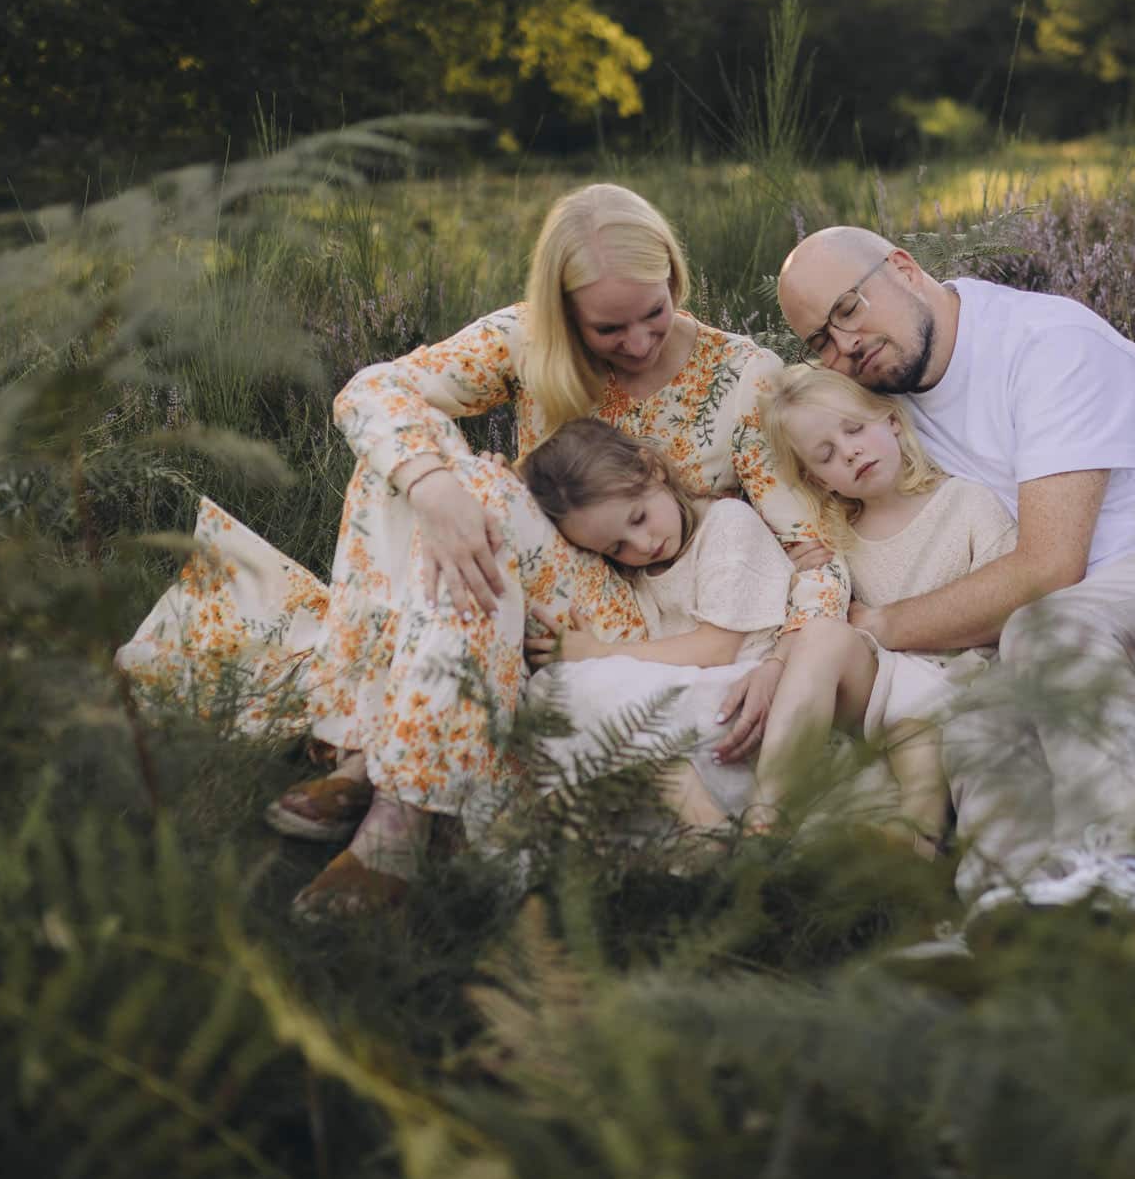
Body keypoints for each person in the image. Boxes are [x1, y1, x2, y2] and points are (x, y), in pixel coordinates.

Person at [116, 183, 846, 916]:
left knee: (482, 495)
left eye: (653, 313)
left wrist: (787, 654)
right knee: (408, 467)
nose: (636, 342)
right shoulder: (529, 339)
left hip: (620, 625)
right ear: (564, 312)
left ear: (674, 281)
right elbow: (371, 390)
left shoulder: (742, 376)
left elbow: (814, 550)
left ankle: (390, 788)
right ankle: (390, 772)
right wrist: (433, 486)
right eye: (607, 327)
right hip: (503, 580)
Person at [775, 226, 1135, 917]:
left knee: (1046, 627)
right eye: (820, 342)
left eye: (848, 310)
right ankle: (1001, 912)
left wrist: (880, 626)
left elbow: (1050, 568)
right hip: (1060, 639)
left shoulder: (1047, 342)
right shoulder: (882, 411)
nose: (845, 346)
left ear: (902, 268)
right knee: (980, 711)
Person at [514, 416, 866, 840]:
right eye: (615, 548)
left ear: (652, 468)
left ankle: (714, 836)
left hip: (751, 702)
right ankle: (708, 834)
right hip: (697, 724)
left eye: (639, 517)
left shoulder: (727, 524)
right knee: (549, 693)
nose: (641, 546)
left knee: (568, 691)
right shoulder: (638, 574)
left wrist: (598, 655)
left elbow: (716, 649)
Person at [756, 365, 1020, 851]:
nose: (850, 451)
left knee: (917, 716)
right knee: (823, 636)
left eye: (854, 429)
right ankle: (764, 813)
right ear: (821, 481)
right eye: (827, 455)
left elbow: (1010, 604)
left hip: (967, 679)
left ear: (892, 422)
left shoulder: (966, 502)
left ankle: (919, 834)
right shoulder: (839, 543)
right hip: (881, 690)